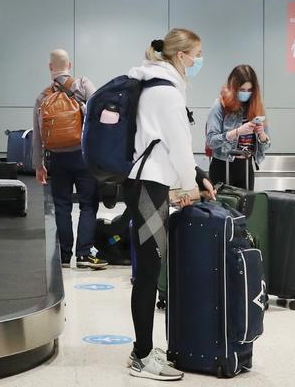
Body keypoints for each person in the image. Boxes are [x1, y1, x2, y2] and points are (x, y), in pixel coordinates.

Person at [125, 29, 215, 381]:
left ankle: (143, 348)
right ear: (181, 56)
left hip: (144, 181)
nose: (198, 61)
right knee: (148, 269)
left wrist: (195, 175)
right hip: (151, 185)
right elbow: (179, 149)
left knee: (148, 267)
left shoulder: (152, 84)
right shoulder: (168, 93)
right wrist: (191, 186)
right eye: (196, 54)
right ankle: (142, 355)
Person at [30, 49, 105, 270]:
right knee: (88, 205)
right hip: (84, 156)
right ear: (69, 65)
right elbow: (100, 112)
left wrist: (38, 165)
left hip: (57, 158)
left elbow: (37, 135)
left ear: (50, 67)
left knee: (61, 205)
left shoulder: (42, 97)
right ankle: (83, 254)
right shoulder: (82, 85)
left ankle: (64, 255)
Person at [206, 64, 270, 191]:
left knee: (245, 209)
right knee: (220, 209)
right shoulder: (220, 105)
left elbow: (266, 145)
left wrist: (262, 134)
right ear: (233, 88)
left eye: (249, 90)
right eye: (242, 90)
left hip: (246, 167)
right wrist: (237, 132)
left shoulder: (256, 106)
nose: (246, 94)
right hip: (223, 166)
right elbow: (211, 141)